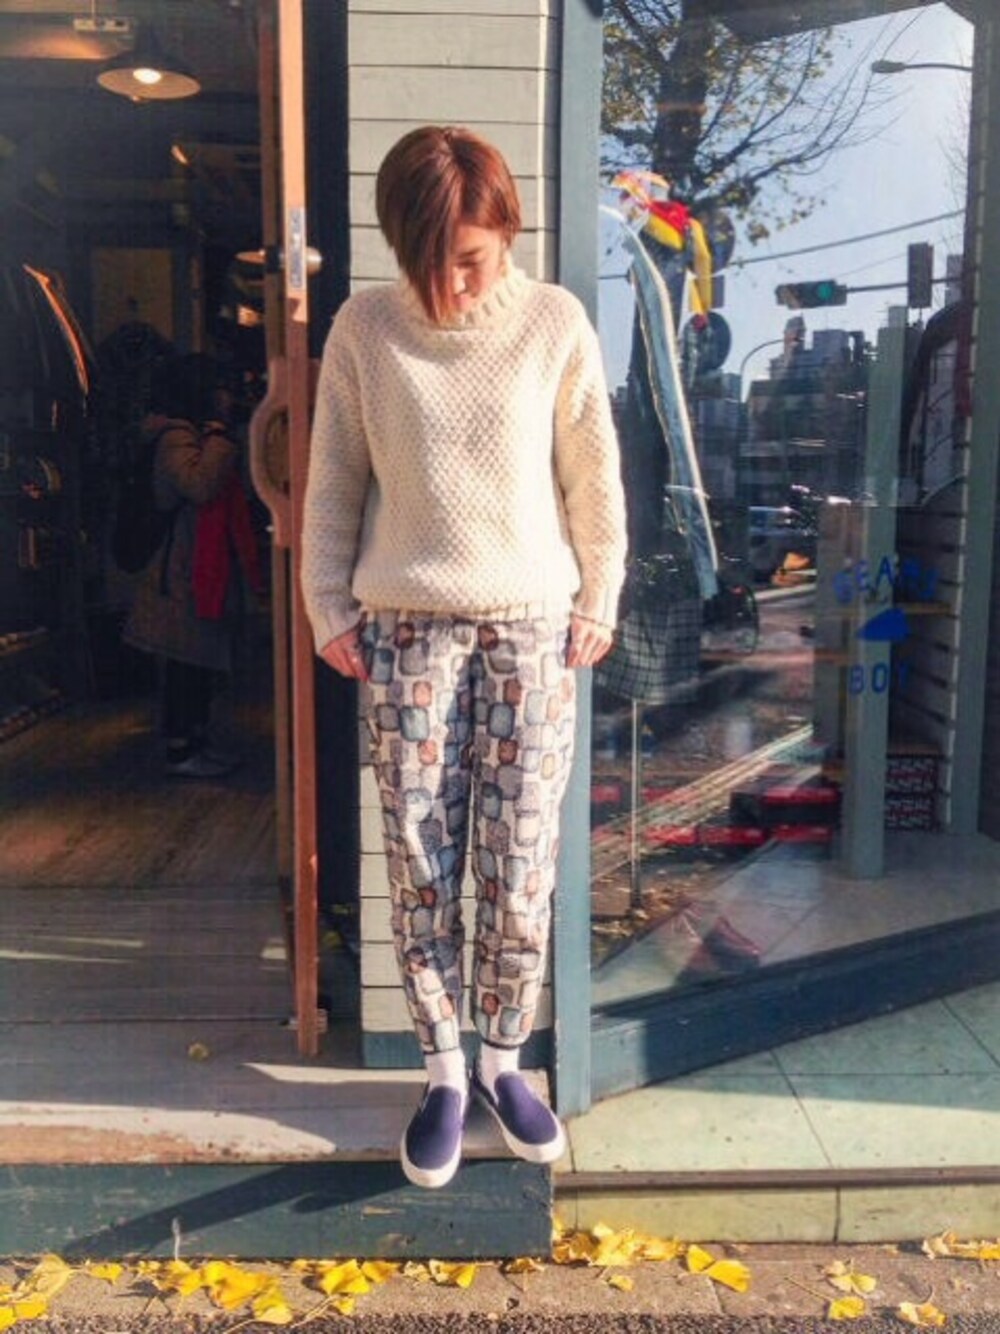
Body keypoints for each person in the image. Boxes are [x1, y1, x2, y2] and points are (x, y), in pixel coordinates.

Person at [301, 126, 627, 1189]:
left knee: (519, 867)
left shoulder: (553, 322)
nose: (451, 283)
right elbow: (334, 480)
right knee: (419, 858)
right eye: (429, 260)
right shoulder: (363, 329)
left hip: (534, 624)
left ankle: (504, 1061)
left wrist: (599, 592)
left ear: (507, 234)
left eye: (472, 259)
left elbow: (592, 476)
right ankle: (442, 1071)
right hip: (405, 630)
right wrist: (326, 603)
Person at [123, 352, 263, 778]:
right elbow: (200, 486)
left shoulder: (187, 434)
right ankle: (181, 748)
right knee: (184, 662)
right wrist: (220, 436)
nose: (226, 396)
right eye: (219, 387)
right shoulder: (176, 437)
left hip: (193, 565)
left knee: (197, 662)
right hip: (179, 570)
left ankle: (196, 741)